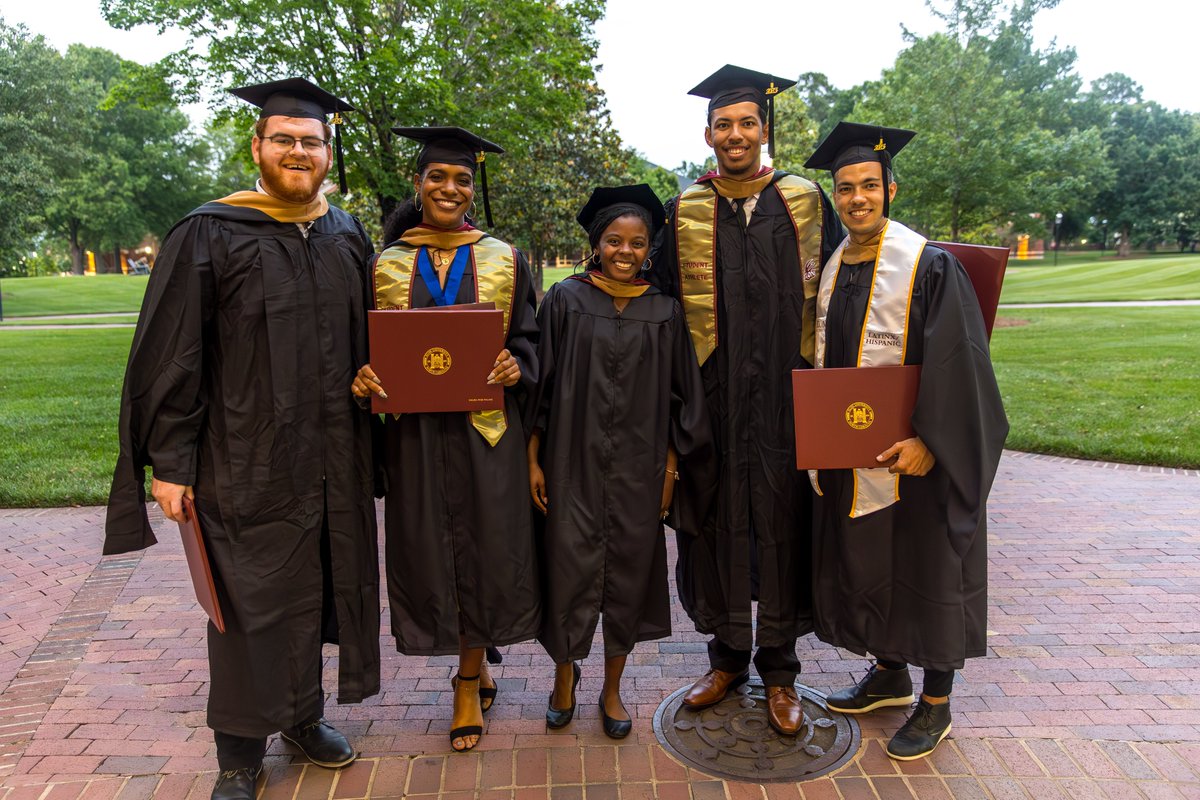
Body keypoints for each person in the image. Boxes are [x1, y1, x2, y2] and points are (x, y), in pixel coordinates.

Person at [104, 78, 379, 800]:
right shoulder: (209, 231)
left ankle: (302, 717)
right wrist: (171, 462)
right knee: (250, 599)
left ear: (328, 150)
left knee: (315, 586)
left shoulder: (346, 232)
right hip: (244, 453)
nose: (299, 150)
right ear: (257, 147)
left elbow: (368, 339)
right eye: (284, 139)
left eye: (311, 141)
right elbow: (174, 354)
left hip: (331, 453)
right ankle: (238, 750)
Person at [801, 121, 1008, 760]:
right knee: (876, 562)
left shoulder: (927, 265)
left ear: (890, 189)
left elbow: (960, 362)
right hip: (860, 446)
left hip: (919, 456)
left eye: (868, 186)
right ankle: (889, 674)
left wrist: (929, 441)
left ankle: (936, 703)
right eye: (845, 189)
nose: (857, 198)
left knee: (926, 568)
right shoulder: (835, 267)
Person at [647, 64, 843, 736]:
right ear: (708, 134)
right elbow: (661, 307)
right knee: (719, 524)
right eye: (724, 124)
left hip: (788, 402)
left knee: (784, 522)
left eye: (747, 123)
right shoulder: (685, 211)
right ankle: (727, 657)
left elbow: (840, 295)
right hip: (715, 402)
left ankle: (782, 669)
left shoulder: (807, 202)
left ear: (766, 130)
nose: (735, 135)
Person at [351, 126, 540, 753]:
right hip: (417, 438)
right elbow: (364, 349)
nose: (450, 189)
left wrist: (518, 363)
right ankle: (474, 662)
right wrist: (364, 374)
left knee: (485, 549)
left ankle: (465, 682)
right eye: (438, 177)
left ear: (473, 188)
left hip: (487, 436)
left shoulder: (504, 258)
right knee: (432, 552)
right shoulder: (386, 262)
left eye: (461, 179)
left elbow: (531, 341)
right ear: (419, 183)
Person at [527, 184, 715, 739]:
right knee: (567, 575)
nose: (625, 251)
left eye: (636, 242)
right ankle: (565, 679)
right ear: (597, 244)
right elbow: (540, 387)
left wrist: (672, 471)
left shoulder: (664, 312)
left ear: (649, 250)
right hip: (570, 465)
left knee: (628, 579)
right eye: (614, 240)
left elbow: (685, 401)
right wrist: (533, 460)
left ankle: (611, 688)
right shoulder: (565, 301)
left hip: (640, 473)